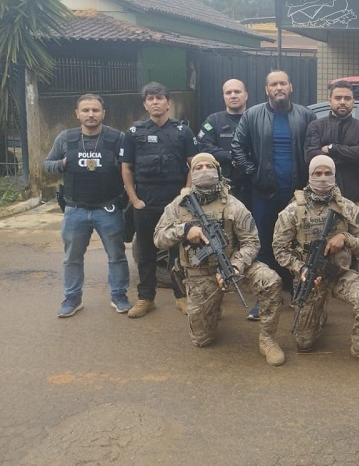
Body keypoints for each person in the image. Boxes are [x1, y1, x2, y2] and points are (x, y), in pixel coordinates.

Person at [153, 153, 285, 366]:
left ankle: (267, 339)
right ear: (191, 174)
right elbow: (158, 239)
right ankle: (213, 308)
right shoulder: (179, 205)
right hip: (200, 274)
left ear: (218, 171)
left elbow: (252, 242)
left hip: (233, 267)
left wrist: (236, 265)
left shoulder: (233, 204)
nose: (204, 170)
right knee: (202, 340)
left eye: (209, 166)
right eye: (198, 167)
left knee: (270, 281)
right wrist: (184, 230)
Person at [273, 155, 359, 366]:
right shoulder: (293, 210)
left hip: (341, 274)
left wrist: (345, 238)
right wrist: (301, 269)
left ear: (334, 175)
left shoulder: (348, 208)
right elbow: (279, 249)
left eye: (328, 173)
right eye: (318, 173)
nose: (323, 178)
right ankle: (318, 312)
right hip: (310, 278)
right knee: (304, 342)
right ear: (310, 176)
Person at [231, 70, 316, 319]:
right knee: (265, 245)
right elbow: (237, 147)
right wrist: (253, 173)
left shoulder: (306, 115)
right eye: (273, 84)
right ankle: (267, 297)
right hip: (264, 193)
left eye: (283, 83)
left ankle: (299, 294)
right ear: (266, 89)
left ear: (291, 87)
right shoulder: (252, 115)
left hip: (297, 195)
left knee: (298, 244)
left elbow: (314, 149)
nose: (279, 87)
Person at [44, 94, 131, 317]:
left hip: (108, 208)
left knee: (117, 255)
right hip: (75, 209)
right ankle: (72, 299)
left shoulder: (117, 138)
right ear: (77, 114)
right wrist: (63, 163)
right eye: (85, 110)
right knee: (72, 258)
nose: (90, 114)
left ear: (103, 113)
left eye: (95, 110)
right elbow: (47, 164)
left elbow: (129, 166)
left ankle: (119, 295)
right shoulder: (66, 138)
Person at [121, 82, 198, 318]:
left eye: (160, 98)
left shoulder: (183, 132)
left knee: (179, 253)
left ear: (168, 103)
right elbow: (126, 168)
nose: (155, 102)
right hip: (145, 203)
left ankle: (181, 297)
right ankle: (146, 298)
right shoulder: (133, 134)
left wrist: (186, 193)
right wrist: (134, 199)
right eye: (150, 99)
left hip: (176, 205)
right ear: (145, 104)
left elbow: (193, 164)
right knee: (145, 253)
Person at [304, 80, 359, 279]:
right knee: (321, 248)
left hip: (356, 199)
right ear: (329, 100)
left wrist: (332, 149)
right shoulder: (316, 127)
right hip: (322, 202)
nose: (342, 102)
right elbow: (310, 156)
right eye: (338, 98)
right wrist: (349, 155)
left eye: (347, 98)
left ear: (353, 101)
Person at [196, 79, 252, 211]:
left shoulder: (256, 118)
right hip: (221, 188)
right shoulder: (213, 120)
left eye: (237, 92)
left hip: (252, 186)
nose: (233, 95)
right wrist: (231, 156)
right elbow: (204, 147)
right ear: (224, 97)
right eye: (228, 93)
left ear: (246, 95)